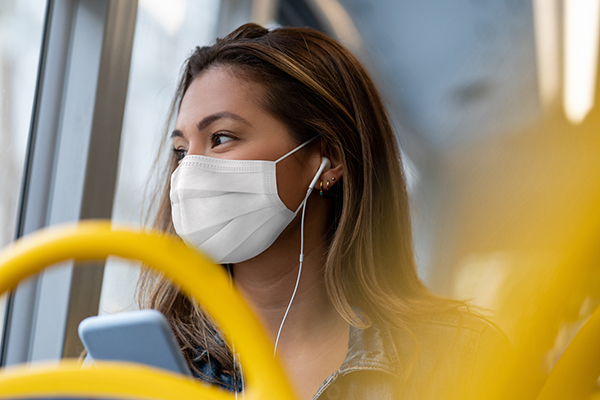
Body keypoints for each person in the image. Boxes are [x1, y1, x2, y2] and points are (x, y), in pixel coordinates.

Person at [137, 23, 507, 400]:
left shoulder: (460, 358)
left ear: (328, 157)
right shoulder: (136, 365)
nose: (188, 174)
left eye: (221, 138)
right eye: (181, 151)